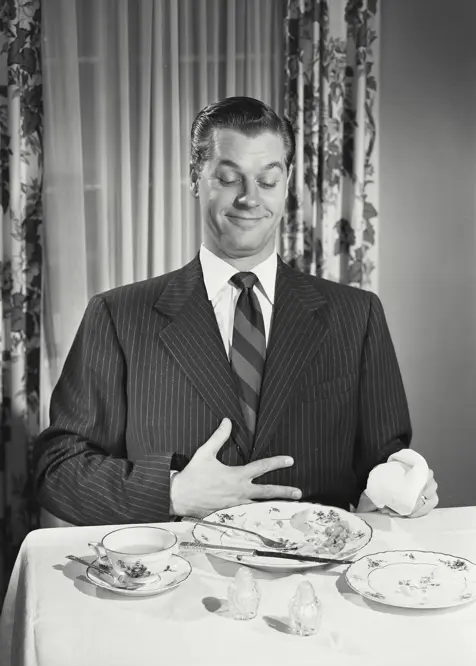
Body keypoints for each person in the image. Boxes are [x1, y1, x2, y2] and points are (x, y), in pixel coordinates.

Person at [34, 96, 438, 525]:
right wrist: (171, 491)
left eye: (267, 181)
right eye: (229, 179)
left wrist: (404, 483)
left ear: (287, 185)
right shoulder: (117, 315)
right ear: (195, 178)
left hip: (314, 582)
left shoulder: (357, 316)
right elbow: (56, 469)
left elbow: (386, 461)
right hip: (176, 581)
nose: (250, 198)